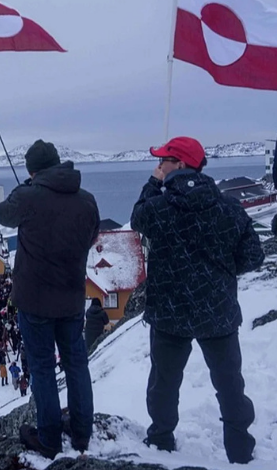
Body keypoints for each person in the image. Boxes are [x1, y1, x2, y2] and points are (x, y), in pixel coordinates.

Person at [131, 136, 265, 465]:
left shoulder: (160, 208)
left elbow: (137, 219)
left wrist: (153, 182)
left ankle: (160, 442)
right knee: (229, 384)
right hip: (218, 312)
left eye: (163, 160)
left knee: (164, 383)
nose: (159, 165)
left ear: (179, 165)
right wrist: (220, 273)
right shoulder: (229, 208)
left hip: (169, 312)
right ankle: (240, 450)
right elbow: (252, 256)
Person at [0, 139, 99, 459]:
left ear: (32, 170)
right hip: (72, 297)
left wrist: (25, 189)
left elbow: (1, 214)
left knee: (42, 368)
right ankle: (82, 432)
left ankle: (50, 438)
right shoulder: (86, 200)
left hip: (34, 300)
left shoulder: (28, 196)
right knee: (76, 364)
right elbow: (92, 236)